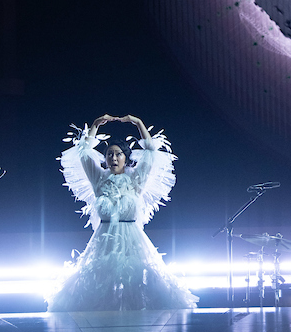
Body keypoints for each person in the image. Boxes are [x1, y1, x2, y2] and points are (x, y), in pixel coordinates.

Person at [48, 114, 197, 311]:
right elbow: (83, 153)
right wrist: (95, 126)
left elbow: (151, 152)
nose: (113, 158)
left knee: (135, 280)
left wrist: (139, 123)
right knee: (100, 281)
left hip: (132, 239)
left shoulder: (135, 181)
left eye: (118, 154)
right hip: (104, 239)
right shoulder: (99, 180)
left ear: (126, 158)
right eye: (109, 154)